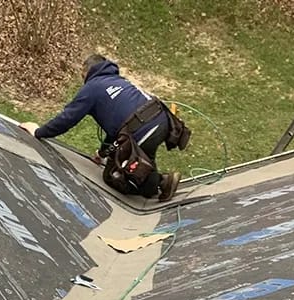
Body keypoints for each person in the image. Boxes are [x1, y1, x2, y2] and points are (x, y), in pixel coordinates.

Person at [20, 54, 182, 202]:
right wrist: (103, 153)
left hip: (142, 130)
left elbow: (67, 119)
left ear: (87, 71)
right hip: (161, 120)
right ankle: (156, 183)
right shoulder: (118, 81)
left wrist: (38, 132)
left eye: (82, 75)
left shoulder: (92, 88)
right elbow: (119, 127)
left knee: (113, 175)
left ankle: (161, 182)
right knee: (141, 160)